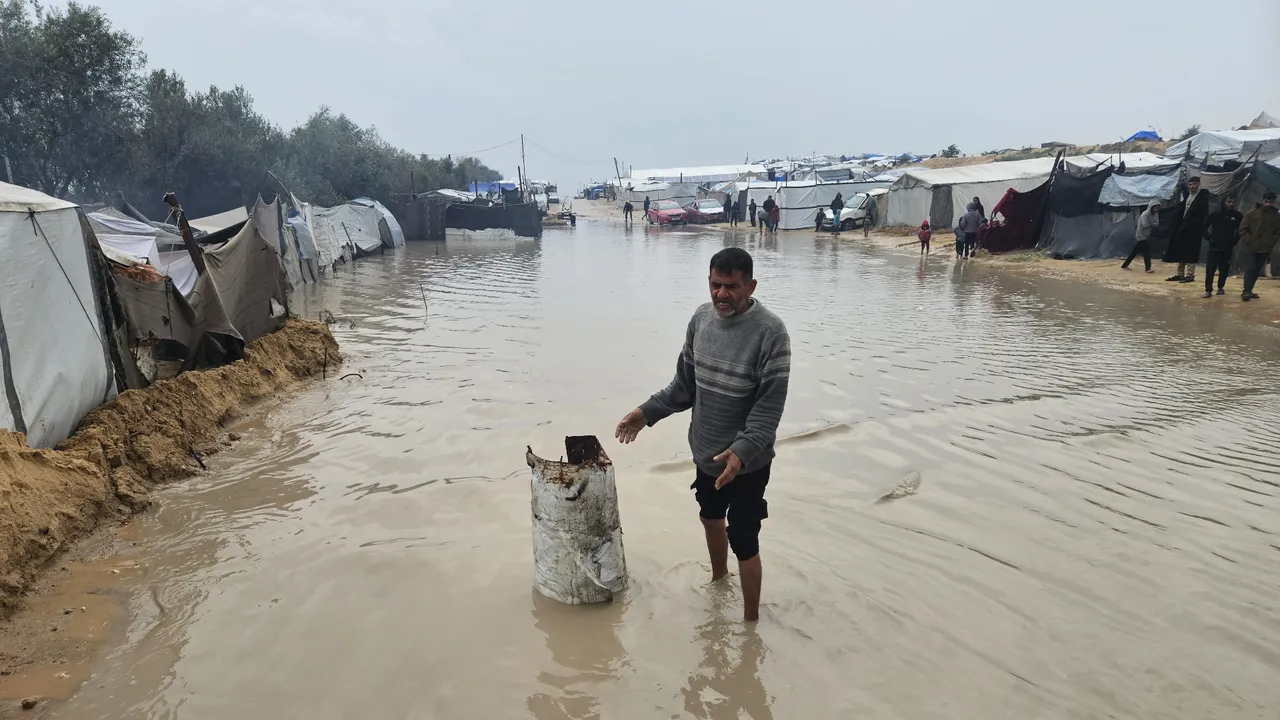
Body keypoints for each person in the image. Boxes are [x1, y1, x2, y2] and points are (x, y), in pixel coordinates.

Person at [615, 247, 790, 623]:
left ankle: (750, 623)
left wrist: (740, 452)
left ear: (751, 286)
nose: (721, 295)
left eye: (731, 287)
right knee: (710, 517)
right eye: (715, 285)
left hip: (748, 464)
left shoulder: (771, 334)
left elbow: (768, 409)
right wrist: (645, 413)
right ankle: (718, 580)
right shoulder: (700, 320)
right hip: (706, 454)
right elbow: (684, 387)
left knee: (744, 539)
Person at [1163, 176, 1210, 282]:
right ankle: (1180, 274)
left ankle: (1190, 275)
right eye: (1190, 184)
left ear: (1198, 184)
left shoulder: (1202, 198)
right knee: (1181, 250)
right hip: (1183, 228)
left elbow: (1201, 215)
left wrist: (1194, 226)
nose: (1192, 186)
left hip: (1194, 230)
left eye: (1194, 184)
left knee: (1191, 252)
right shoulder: (1188, 196)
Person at [1239, 191, 1280, 301]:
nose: (1268, 204)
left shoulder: (1276, 215)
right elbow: (1243, 229)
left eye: (1270, 202)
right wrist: (1250, 240)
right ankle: (1246, 291)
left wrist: (1271, 242)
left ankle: (1249, 290)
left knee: (1257, 270)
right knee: (1250, 269)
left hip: (1265, 248)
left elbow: (1278, 231)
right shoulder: (1252, 213)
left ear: (1274, 202)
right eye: (1266, 201)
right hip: (1251, 247)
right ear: (1263, 201)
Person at [1202, 196, 1242, 297]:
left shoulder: (1237, 215)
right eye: (1229, 202)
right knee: (1210, 269)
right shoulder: (1215, 214)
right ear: (1224, 202)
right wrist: (1209, 238)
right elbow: (1203, 226)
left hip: (1227, 247)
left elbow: (1241, 229)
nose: (1231, 204)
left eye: (1233, 202)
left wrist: (1235, 240)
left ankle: (1220, 287)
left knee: (1224, 269)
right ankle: (1208, 290)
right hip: (1214, 246)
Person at [1122, 201, 1160, 272]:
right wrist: (1152, 223)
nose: (1157, 209)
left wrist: (1151, 223)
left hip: (1146, 234)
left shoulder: (1155, 214)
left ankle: (1124, 265)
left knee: (1135, 251)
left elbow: (1157, 224)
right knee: (1146, 252)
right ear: (1151, 207)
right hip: (1141, 235)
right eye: (1155, 208)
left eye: (1158, 208)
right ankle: (1148, 268)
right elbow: (1145, 225)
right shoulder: (1145, 214)